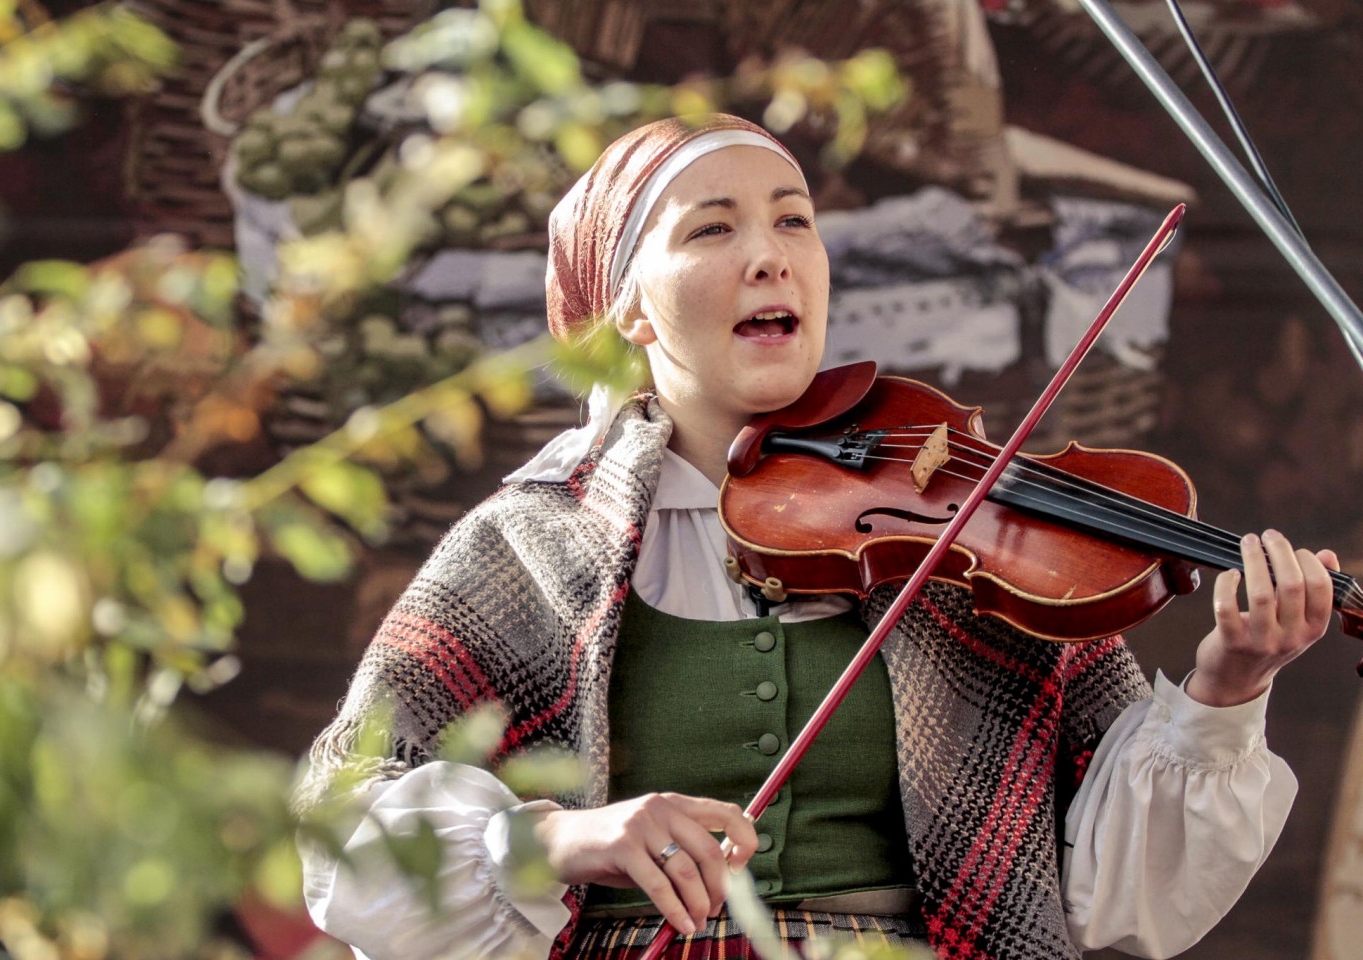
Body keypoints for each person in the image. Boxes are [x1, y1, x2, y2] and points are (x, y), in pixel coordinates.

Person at [295, 114, 1339, 960]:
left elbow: (1123, 896)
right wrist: (560, 838)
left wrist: (1228, 686)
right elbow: (344, 825)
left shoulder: (961, 530)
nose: (771, 257)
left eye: (794, 222)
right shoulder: (525, 545)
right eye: (713, 231)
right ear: (631, 312)